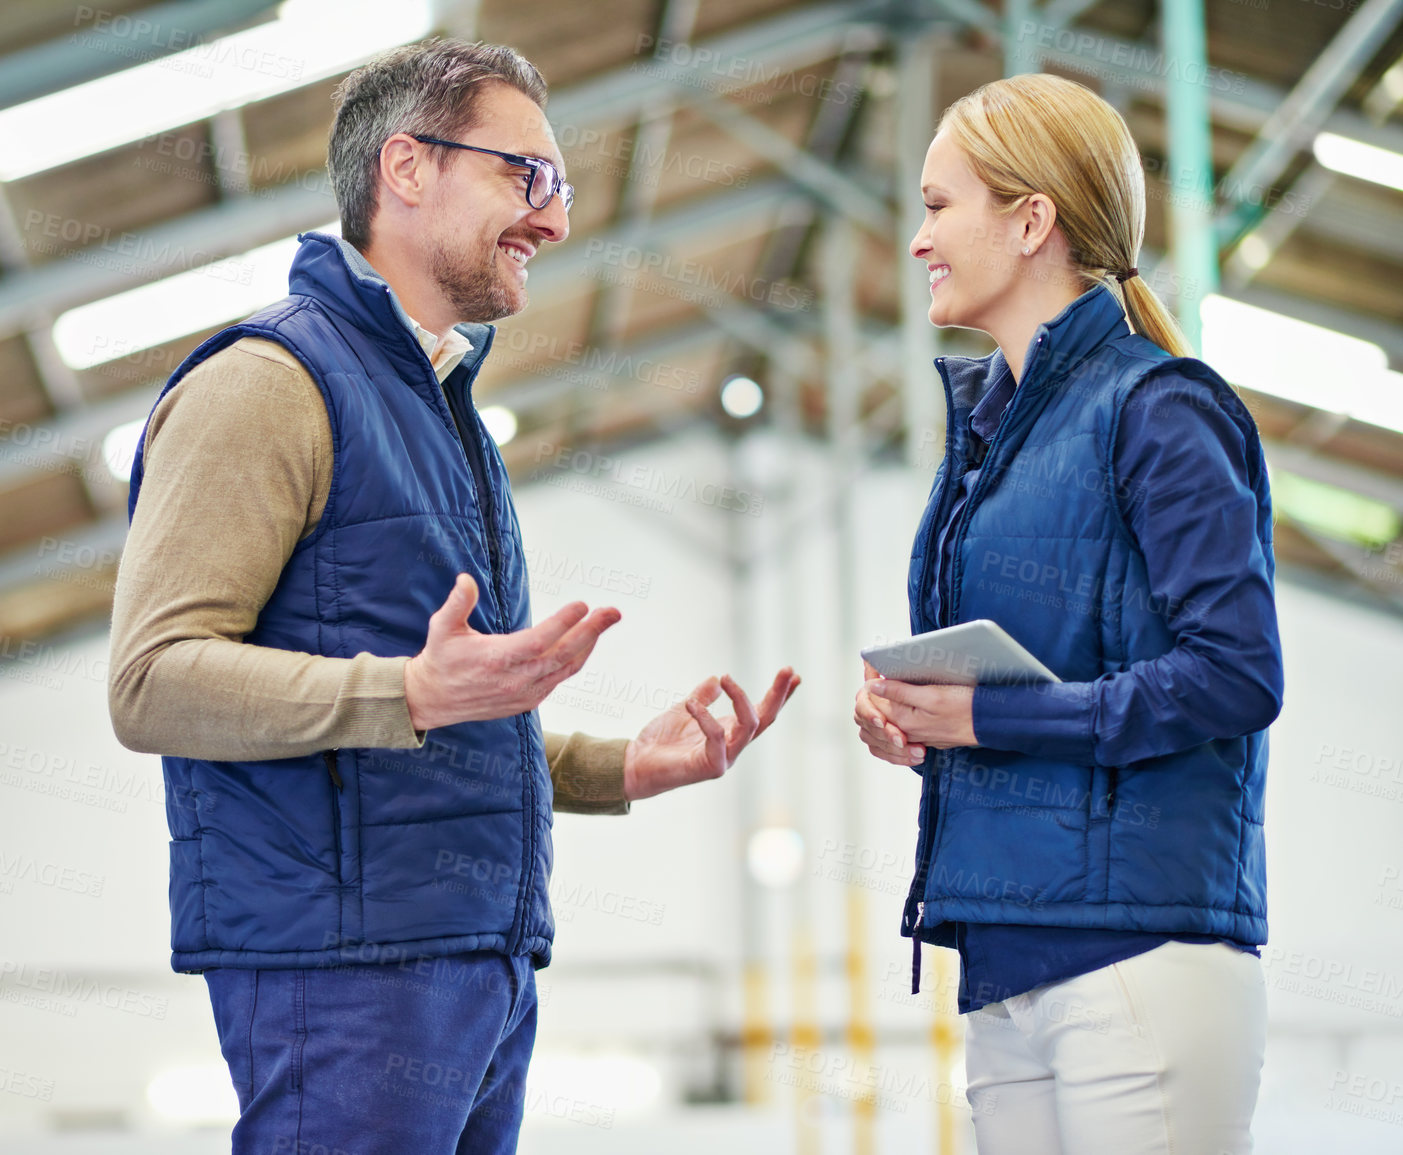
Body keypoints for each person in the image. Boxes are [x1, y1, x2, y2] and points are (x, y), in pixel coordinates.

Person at [108, 38, 800, 1155]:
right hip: (346, 971)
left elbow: (450, 711)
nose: (555, 219)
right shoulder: (266, 385)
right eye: (524, 176)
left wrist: (617, 766)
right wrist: (413, 691)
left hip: (475, 960)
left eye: (560, 186)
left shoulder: (444, 415)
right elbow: (149, 684)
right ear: (408, 168)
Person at [851, 74, 1282, 1154]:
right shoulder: (996, 440)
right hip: (1008, 953)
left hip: (1139, 959)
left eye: (940, 205)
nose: (918, 240)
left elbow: (1237, 676)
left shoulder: (1160, 411)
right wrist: (920, 729)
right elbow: (1040, 686)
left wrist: (986, 721)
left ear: (1031, 219)